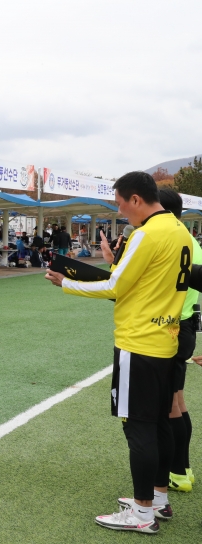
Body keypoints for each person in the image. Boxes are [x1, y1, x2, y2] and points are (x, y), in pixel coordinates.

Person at [45, 171, 191, 534]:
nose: (122, 212)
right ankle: (157, 499)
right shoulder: (179, 230)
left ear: (137, 199)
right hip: (164, 340)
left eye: (122, 204)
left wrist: (66, 283)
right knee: (159, 423)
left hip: (138, 343)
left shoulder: (147, 234)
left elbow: (115, 285)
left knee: (138, 427)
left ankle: (142, 513)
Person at [157, 189, 198, 492]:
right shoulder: (192, 242)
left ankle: (177, 472)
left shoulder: (174, 243)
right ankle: (182, 470)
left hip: (172, 328)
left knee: (169, 405)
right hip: (185, 326)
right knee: (178, 401)